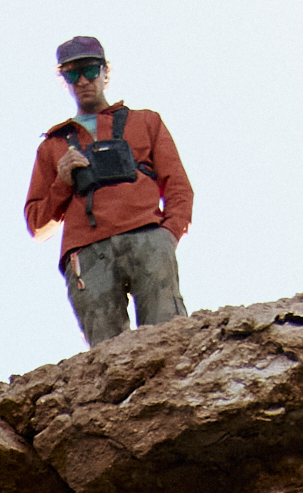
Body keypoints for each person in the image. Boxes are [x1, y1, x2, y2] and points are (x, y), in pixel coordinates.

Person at [25, 36, 193, 349]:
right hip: (87, 253)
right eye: (72, 74)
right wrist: (62, 180)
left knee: (170, 341)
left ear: (106, 72)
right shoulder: (52, 146)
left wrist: (167, 235)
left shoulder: (146, 121)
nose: (82, 81)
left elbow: (178, 186)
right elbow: (37, 225)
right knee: (109, 356)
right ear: (64, 80)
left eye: (90, 70)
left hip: (147, 237)